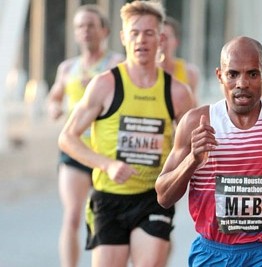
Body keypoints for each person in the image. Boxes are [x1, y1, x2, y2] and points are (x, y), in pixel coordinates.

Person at [155, 36, 262, 267]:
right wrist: (192, 160)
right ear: (220, 76)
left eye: (252, 74)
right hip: (212, 252)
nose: (242, 83)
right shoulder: (195, 122)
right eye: (233, 74)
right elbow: (163, 197)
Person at [58, 1, 195, 266]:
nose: (141, 40)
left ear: (161, 38)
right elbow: (67, 137)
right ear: (123, 37)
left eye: (149, 33)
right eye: (134, 32)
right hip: (109, 197)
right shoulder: (105, 84)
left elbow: (191, 146)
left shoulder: (178, 93)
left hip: (152, 199)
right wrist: (107, 164)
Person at [47, 4, 124, 267]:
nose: (86, 31)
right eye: (80, 26)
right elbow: (55, 96)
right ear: (75, 33)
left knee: (104, 216)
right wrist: (54, 106)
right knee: (71, 216)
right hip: (75, 149)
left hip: (106, 150)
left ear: (105, 30)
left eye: (91, 25)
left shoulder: (116, 64)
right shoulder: (67, 68)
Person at [158, 16, 200, 106]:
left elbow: (194, 107)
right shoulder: (145, 72)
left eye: (166, 38)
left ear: (176, 41)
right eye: (159, 37)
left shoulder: (189, 72)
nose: (162, 42)